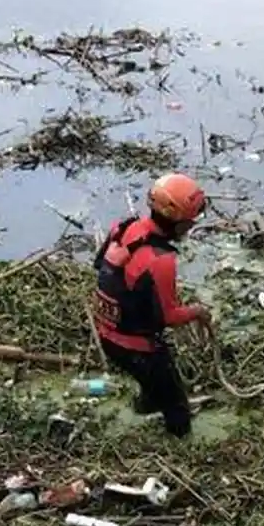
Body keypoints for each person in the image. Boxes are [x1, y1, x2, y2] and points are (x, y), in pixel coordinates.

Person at [91, 173, 213, 438]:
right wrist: (198, 312)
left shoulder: (124, 227)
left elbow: (101, 266)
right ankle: (180, 446)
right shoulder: (161, 259)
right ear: (178, 222)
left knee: (150, 382)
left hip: (107, 334)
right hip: (136, 347)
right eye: (190, 222)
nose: (191, 227)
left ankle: (145, 405)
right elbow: (168, 316)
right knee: (176, 405)